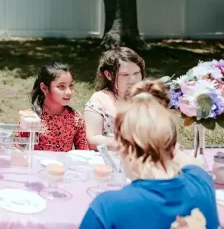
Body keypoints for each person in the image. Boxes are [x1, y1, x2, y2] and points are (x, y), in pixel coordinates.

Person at [79, 88, 218, 228]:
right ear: (173, 147)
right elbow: (191, 162)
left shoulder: (108, 208)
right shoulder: (201, 182)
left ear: (123, 148)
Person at [84, 47, 145, 150]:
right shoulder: (99, 100)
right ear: (108, 75)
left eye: (136, 73)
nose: (133, 79)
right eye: (125, 74)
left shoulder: (145, 98)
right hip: (110, 160)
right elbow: (92, 140)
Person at [20, 62, 88, 152]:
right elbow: (17, 149)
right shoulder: (31, 118)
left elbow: (84, 153)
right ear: (44, 88)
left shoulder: (76, 118)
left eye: (70, 86)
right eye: (61, 86)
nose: (69, 92)